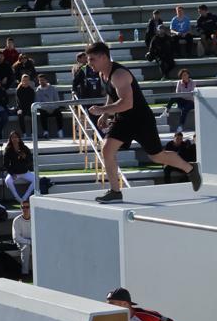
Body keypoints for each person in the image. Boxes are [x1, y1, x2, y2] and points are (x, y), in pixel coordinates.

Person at [84, 42, 199, 203]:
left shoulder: (119, 75)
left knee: (157, 157)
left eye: (92, 59)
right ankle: (115, 192)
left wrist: (102, 111)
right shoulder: (103, 74)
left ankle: (191, 169)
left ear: (103, 57)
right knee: (107, 149)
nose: (89, 63)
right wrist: (106, 112)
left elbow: (127, 103)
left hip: (141, 120)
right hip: (124, 119)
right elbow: (112, 94)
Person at [12, 197, 33, 277]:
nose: (25, 209)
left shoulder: (35, 218)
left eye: (27, 207)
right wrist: (29, 242)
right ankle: (25, 273)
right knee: (26, 247)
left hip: (33, 241)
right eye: (23, 207)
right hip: (21, 242)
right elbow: (16, 237)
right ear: (21, 208)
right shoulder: (16, 220)